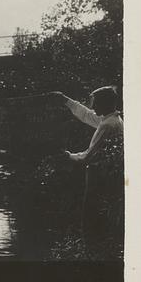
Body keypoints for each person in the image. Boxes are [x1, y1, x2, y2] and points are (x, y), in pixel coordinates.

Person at [49, 86, 123, 257]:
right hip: (108, 174)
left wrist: (68, 156)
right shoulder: (112, 120)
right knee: (98, 211)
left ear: (105, 103)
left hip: (100, 175)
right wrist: (65, 99)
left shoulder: (108, 125)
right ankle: (95, 248)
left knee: (91, 211)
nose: (93, 106)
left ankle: (91, 251)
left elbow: (87, 157)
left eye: (95, 103)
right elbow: (87, 115)